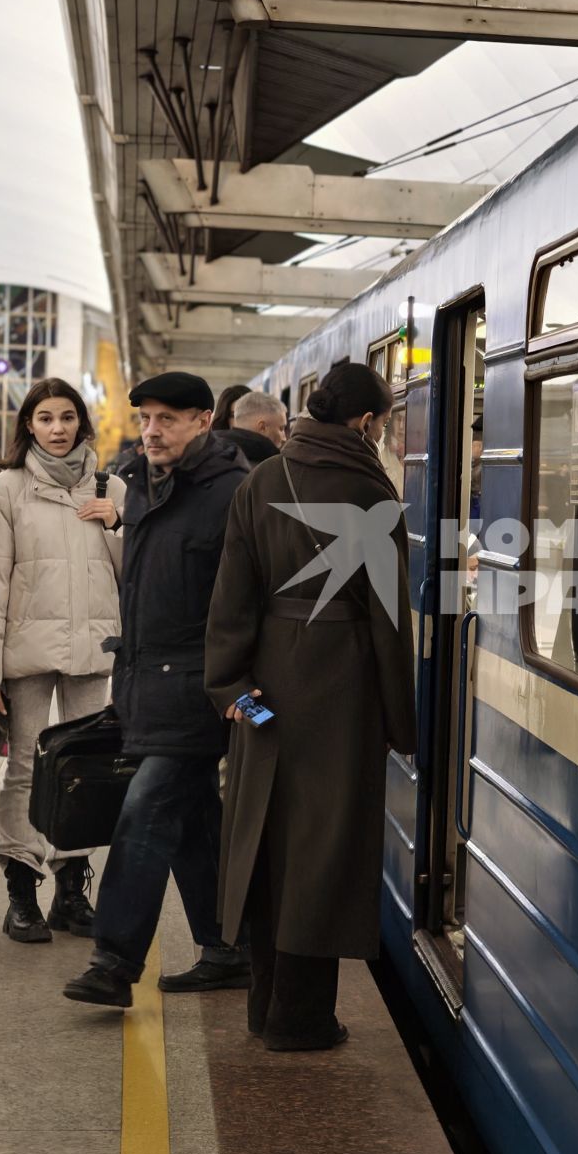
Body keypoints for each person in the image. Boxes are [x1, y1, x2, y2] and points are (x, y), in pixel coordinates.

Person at [205, 363, 414, 1049]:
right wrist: (398, 721)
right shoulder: (370, 490)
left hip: (265, 688)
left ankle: (265, 1008)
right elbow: (389, 619)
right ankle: (303, 1019)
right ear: (365, 423)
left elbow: (230, 596)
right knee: (324, 853)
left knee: (265, 841)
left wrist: (231, 689)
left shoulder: (262, 481)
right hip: (343, 691)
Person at [62, 372, 252, 1008]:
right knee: (193, 819)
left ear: (203, 421)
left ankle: (114, 964)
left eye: (166, 419)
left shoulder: (232, 493)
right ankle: (228, 949)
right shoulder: (142, 485)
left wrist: (242, 689)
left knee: (143, 812)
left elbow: (252, 598)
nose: (151, 431)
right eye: (145, 418)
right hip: (147, 683)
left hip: (201, 688)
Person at [0, 379, 125, 944]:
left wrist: (119, 526)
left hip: (92, 651)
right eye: (45, 418)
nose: (57, 429)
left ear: (82, 424)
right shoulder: (6, 490)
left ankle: (70, 891)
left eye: (66, 418)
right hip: (25, 655)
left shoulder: (114, 489)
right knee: (27, 770)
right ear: (28, 427)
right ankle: (19, 892)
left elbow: (135, 575)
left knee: (82, 770)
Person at [214, 389, 286, 466]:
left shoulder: (213, 453)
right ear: (262, 427)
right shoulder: (266, 466)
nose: (284, 438)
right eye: (281, 429)